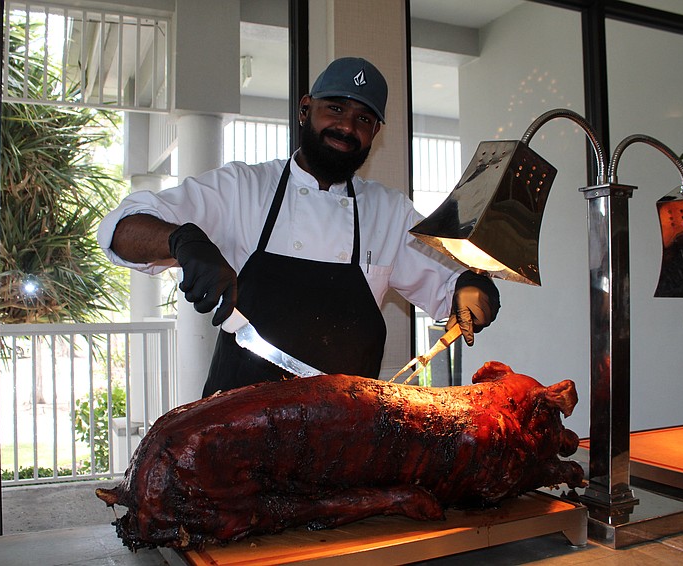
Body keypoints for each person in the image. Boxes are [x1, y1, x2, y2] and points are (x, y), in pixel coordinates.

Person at [98, 57, 500, 397]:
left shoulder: (390, 212)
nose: (347, 127)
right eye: (335, 109)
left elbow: (452, 288)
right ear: (305, 109)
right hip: (237, 426)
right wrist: (181, 240)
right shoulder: (242, 188)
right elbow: (121, 228)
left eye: (363, 118)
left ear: (375, 133)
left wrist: (471, 288)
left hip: (342, 435)